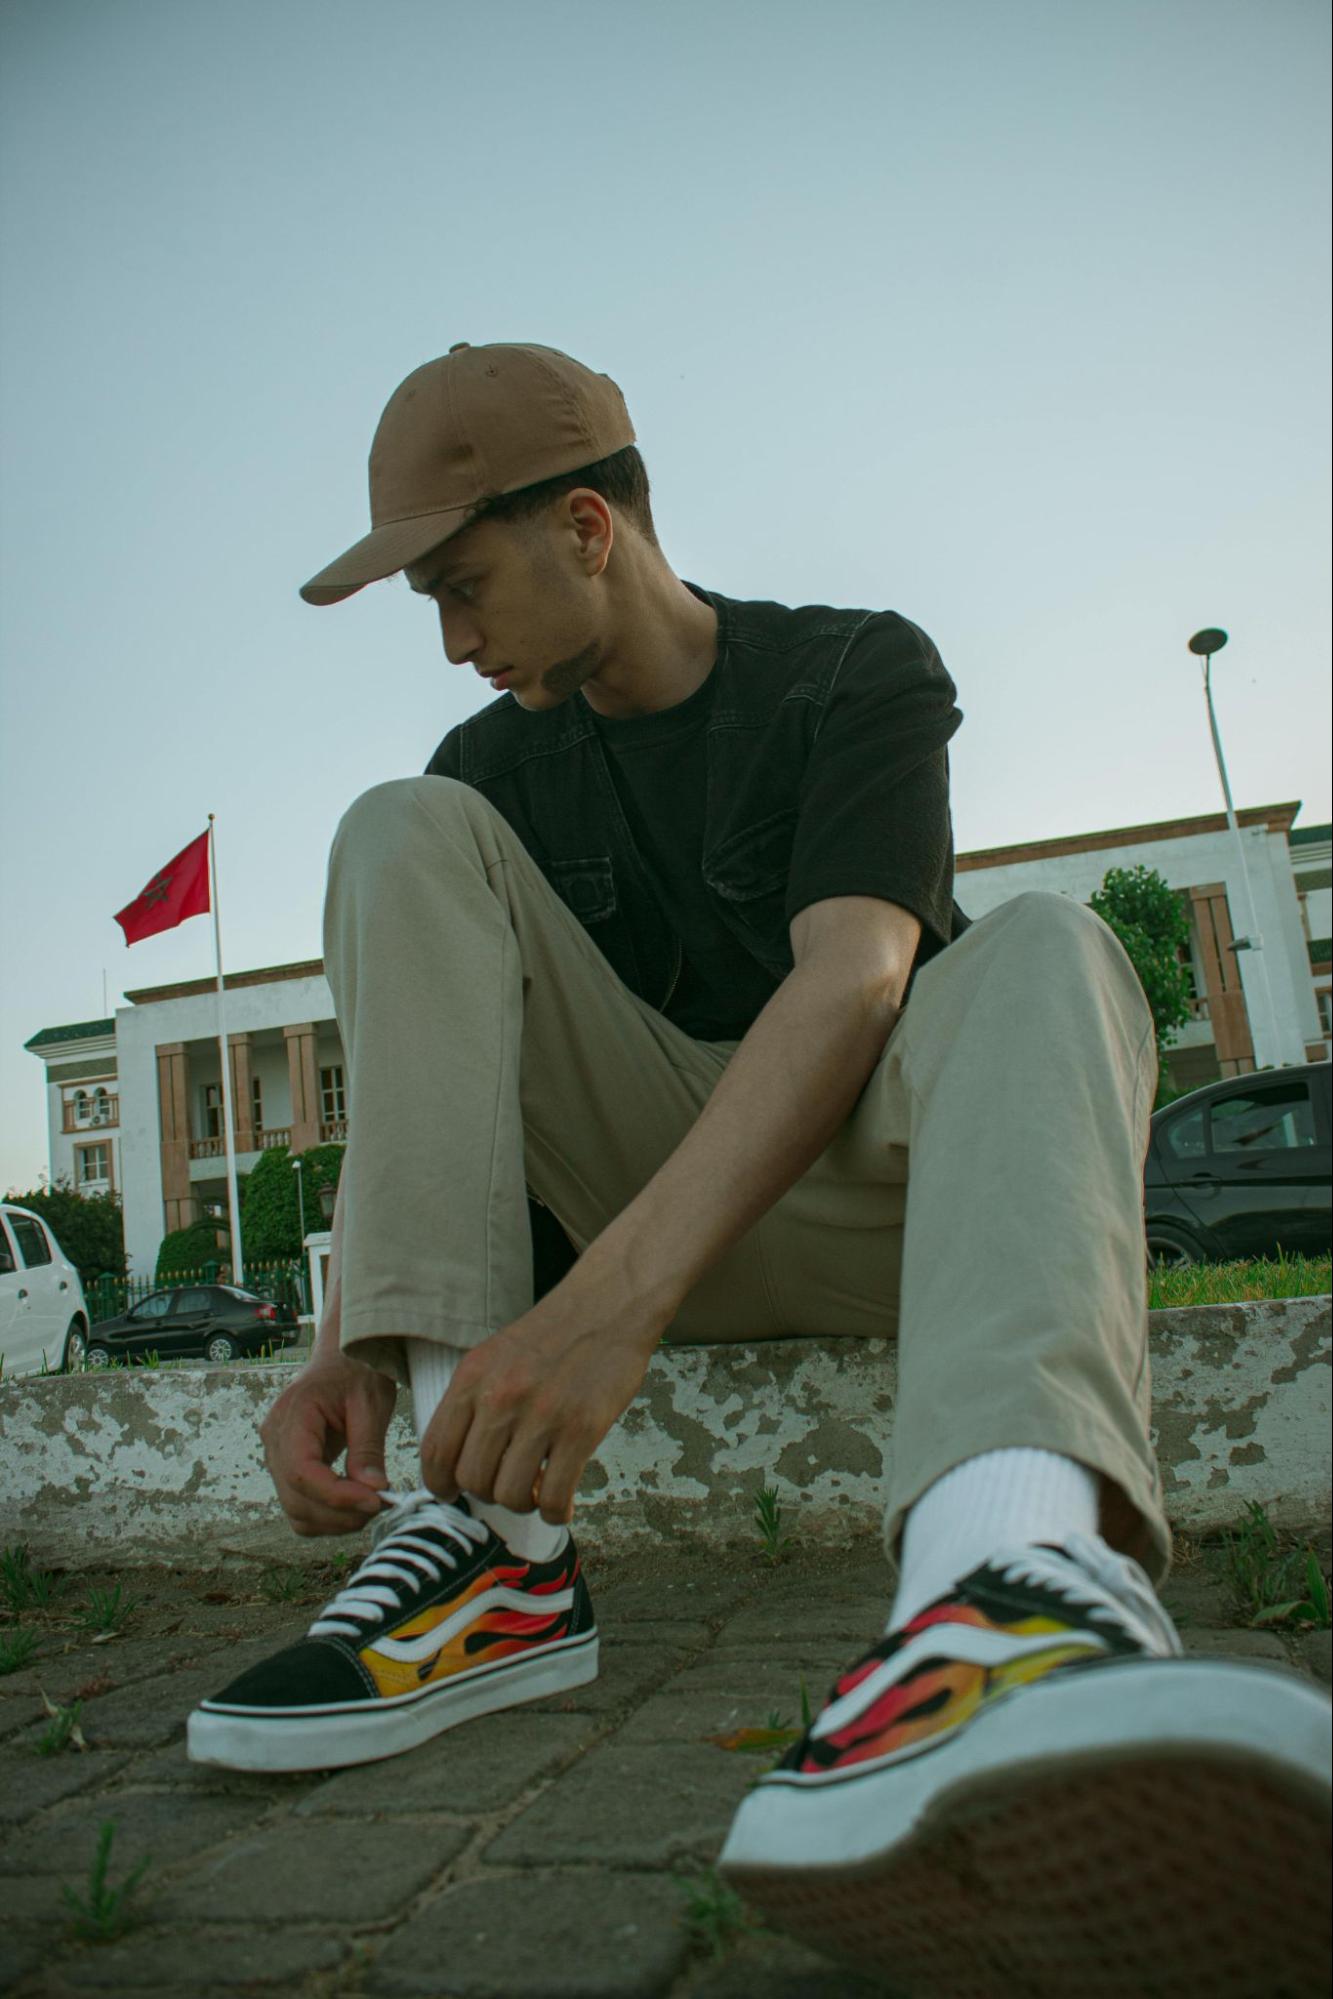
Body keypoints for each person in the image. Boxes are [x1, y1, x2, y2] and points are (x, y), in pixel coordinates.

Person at [187, 343, 1330, 1992]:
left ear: (586, 525)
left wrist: (611, 1312)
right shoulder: (487, 768)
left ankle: (1001, 1591)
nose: (450, 640)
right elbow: (442, 1089)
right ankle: (483, 1560)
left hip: (892, 1222)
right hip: (630, 1223)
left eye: (460, 585)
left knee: (1042, 947)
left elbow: (859, 977)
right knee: (393, 825)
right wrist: (341, 1338)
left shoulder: (850, 668)